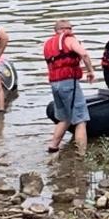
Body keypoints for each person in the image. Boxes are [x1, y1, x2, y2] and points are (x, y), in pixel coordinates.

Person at [44, 19, 94, 155]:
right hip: (68, 83)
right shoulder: (69, 40)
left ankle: (53, 147)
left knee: (64, 118)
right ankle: (82, 154)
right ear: (63, 30)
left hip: (55, 84)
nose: (72, 31)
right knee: (81, 119)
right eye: (70, 28)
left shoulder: (48, 43)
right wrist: (90, 71)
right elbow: (83, 54)